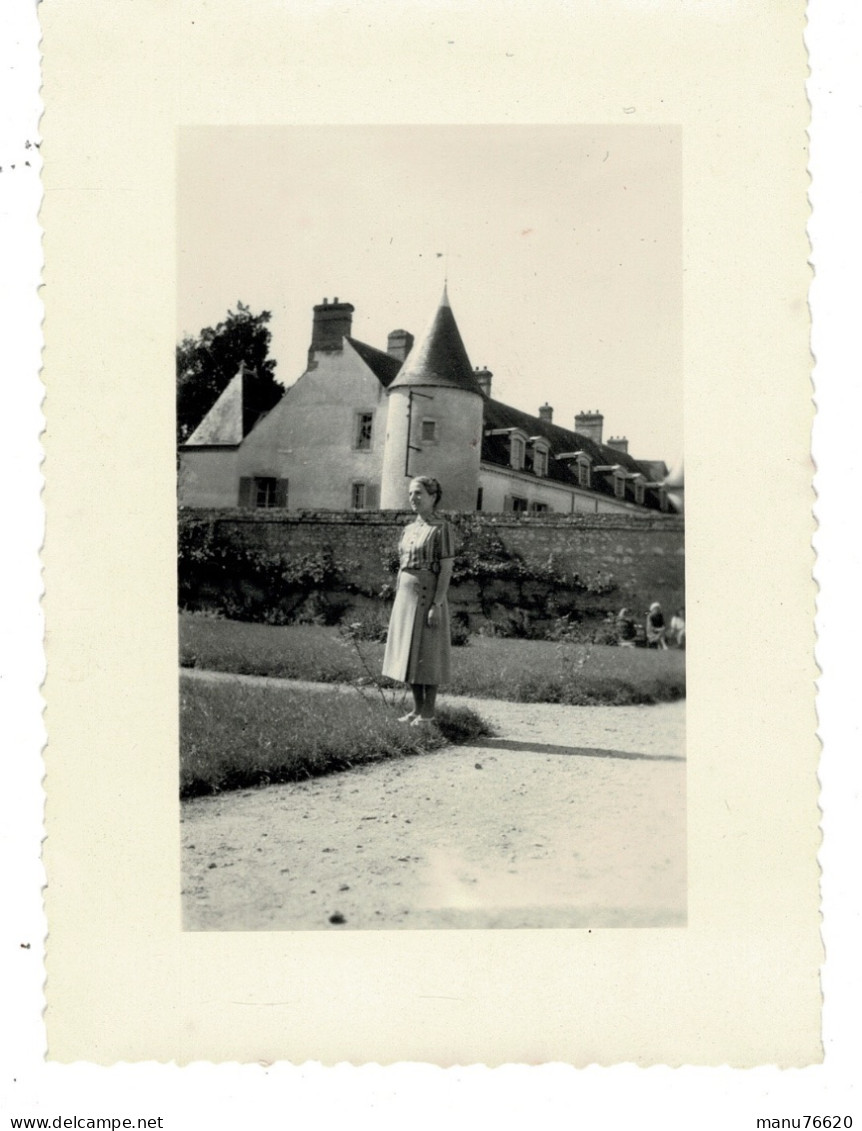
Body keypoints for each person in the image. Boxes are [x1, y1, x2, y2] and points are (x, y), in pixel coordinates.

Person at [381, 476, 455, 725]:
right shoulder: (408, 529)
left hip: (428, 596)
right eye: (411, 493)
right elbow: (402, 566)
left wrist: (437, 604)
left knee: (428, 653)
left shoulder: (441, 528)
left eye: (419, 493)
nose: (413, 498)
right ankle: (415, 709)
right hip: (406, 595)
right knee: (409, 651)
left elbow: (445, 570)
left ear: (433, 497)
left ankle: (429, 713)